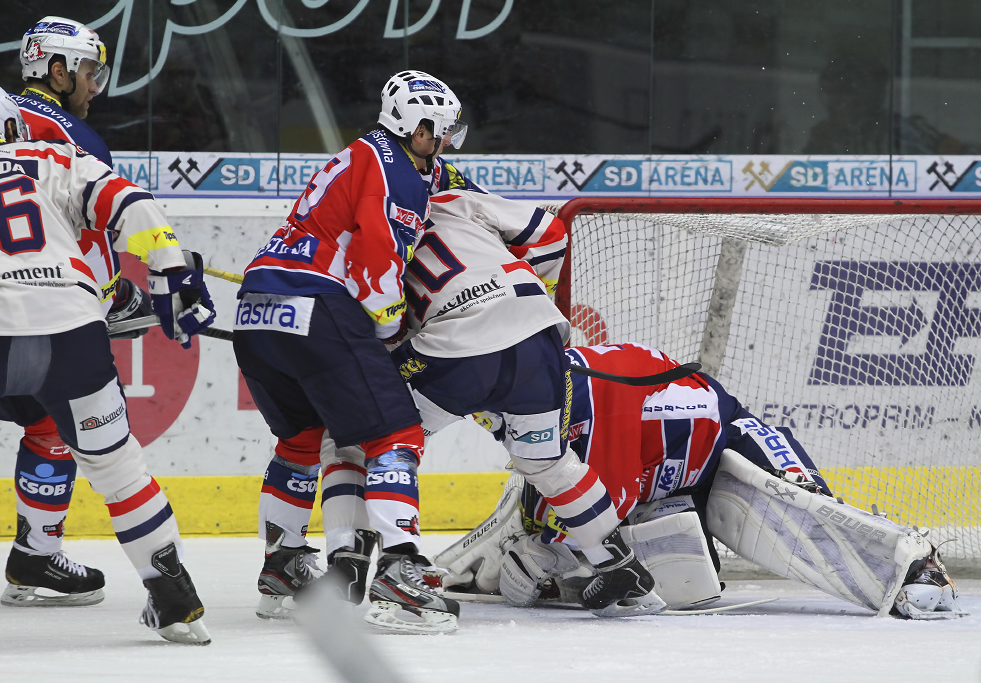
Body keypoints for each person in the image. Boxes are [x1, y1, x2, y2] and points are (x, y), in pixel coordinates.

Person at [313, 189, 669, 628]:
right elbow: (552, 233)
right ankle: (619, 567)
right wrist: (530, 299)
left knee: (352, 441)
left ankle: (351, 568)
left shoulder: (356, 232)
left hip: (456, 350)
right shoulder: (453, 199)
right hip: (539, 340)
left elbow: (378, 328)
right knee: (547, 462)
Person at [436, 341, 967, 621]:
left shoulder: (595, 398)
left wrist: (553, 556)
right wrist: (534, 560)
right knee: (681, 582)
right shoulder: (533, 395)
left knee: (803, 512)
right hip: (666, 485)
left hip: (727, 446)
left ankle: (915, 565)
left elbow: (608, 507)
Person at [0, 78, 216, 644]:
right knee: (119, 468)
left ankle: (39, 554)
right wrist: (171, 275)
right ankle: (174, 600)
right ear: (8, 126)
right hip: (72, 327)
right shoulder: (47, 155)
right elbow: (132, 204)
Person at [232, 70, 478, 632]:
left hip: (258, 306)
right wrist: (389, 334)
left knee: (300, 441)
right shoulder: (397, 174)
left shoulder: (367, 155)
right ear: (418, 129)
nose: (446, 142)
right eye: (441, 131)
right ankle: (400, 573)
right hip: (318, 303)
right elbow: (375, 265)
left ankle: (284, 569)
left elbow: (451, 183)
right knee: (396, 433)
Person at [0, 16, 153, 608]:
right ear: (56, 70)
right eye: (88, 72)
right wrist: (114, 295)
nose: (94, 87)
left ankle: (35, 556)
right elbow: (90, 237)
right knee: (64, 424)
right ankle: (35, 554)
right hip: (37, 314)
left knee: (44, 424)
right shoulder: (72, 137)